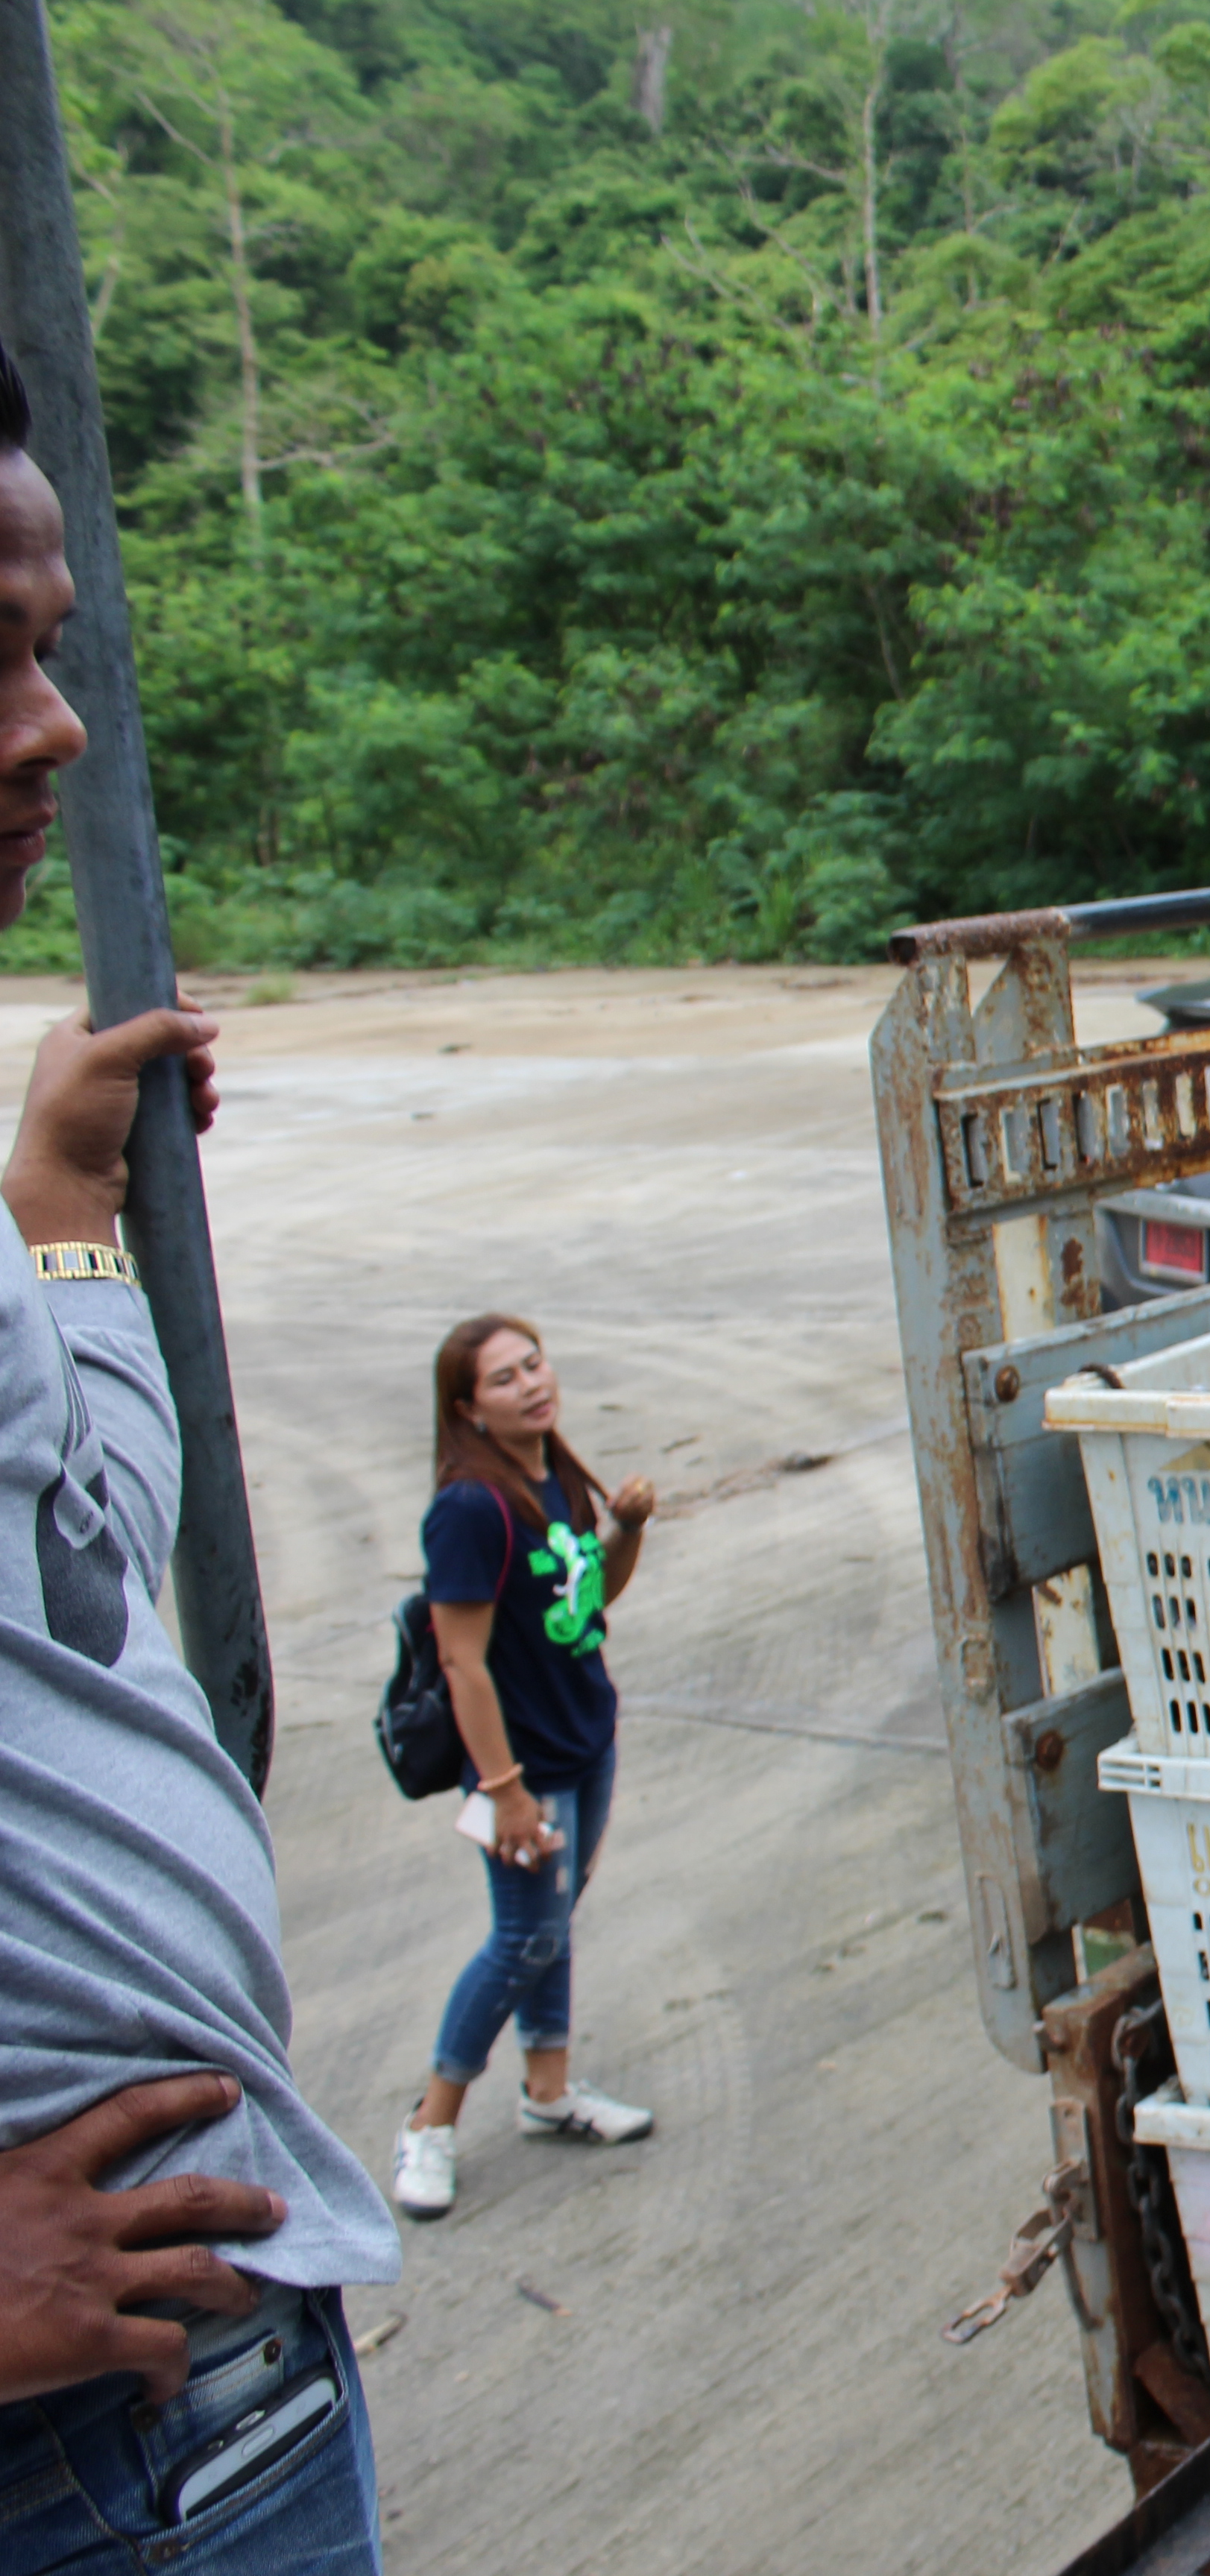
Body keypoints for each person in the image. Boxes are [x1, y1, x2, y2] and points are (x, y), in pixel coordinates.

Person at [0, 344, 397, 2569]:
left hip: (192, 2391)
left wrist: (63, 1231)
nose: (55, 729)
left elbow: (86, 1564)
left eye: (46, 653)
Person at [388, 1316, 659, 2221]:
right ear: (467, 1408)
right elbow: (462, 1661)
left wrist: (625, 1529)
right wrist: (503, 1792)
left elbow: (590, 1597)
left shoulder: (554, 1475)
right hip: (524, 1764)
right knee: (521, 1938)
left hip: (586, 1738)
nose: (531, 1385)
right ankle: (429, 2125)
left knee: (551, 1922)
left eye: (534, 1364)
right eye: (504, 1379)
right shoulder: (470, 1507)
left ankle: (548, 2094)